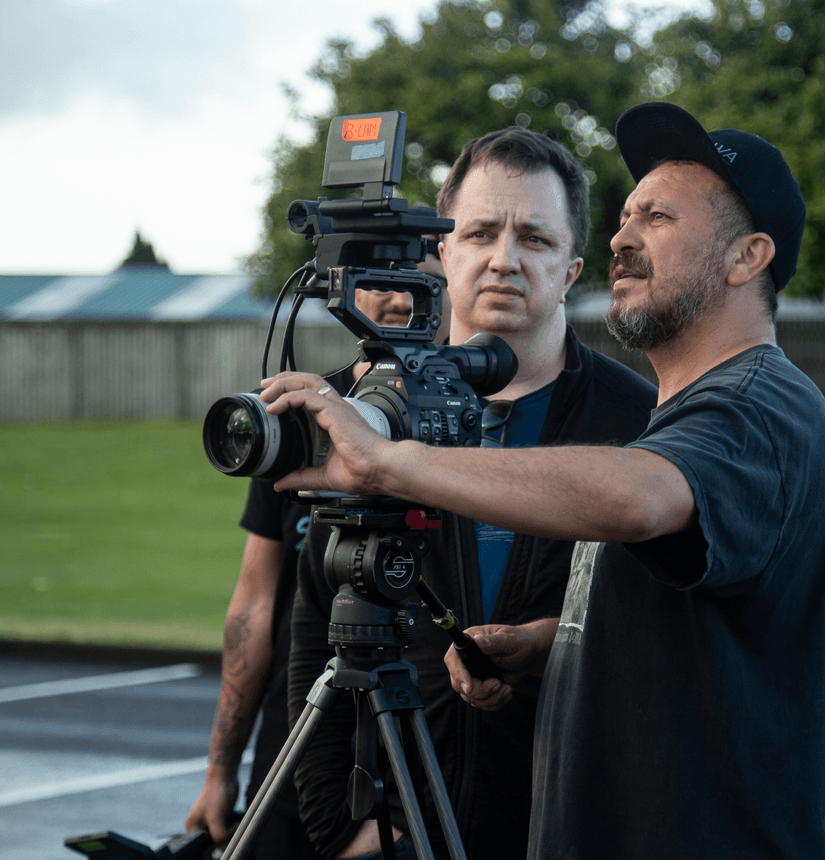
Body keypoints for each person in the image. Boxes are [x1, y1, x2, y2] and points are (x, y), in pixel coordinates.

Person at [260, 102, 825, 859]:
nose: (621, 236)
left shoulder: (756, 404)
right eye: (624, 215)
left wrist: (388, 460)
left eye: (659, 217)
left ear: (747, 258)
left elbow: (639, 496)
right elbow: (689, 624)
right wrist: (556, 645)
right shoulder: (684, 419)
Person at [282, 127, 658, 860]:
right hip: (398, 830)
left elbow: (661, 639)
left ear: (572, 269)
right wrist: (338, 826)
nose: (504, 259)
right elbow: (316, 628)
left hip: (569, 827)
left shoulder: (639, 422)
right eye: (480, 231)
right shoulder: (363, 414)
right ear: (444, 251)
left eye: (536, 239)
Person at [183, 242, 450, 858]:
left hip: (427, 740)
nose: (396, 296)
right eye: (380, 280)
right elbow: (253, 603)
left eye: (420, 281)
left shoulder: (464, 427)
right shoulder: (299, 419)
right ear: (349, 292)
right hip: (300, 726)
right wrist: (220, 769)